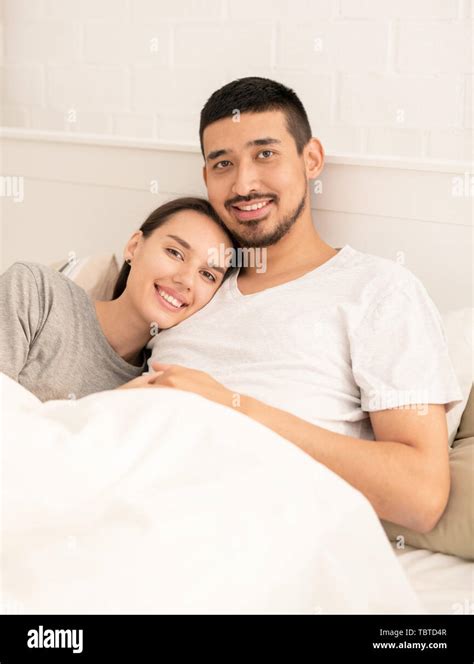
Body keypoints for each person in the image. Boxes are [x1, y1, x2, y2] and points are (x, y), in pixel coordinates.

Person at [127, 76, 463, 534]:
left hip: (231, 528)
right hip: (121, 489)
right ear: (206, 177)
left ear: (311, 159)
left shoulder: (380, 290)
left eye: (265, 154)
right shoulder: (193, 286)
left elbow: (419, 496)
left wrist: (233, 406)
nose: (244, 184)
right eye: (223, 163)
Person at [0, 197, 237, 401]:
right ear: (134, 247)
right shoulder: (36, 291)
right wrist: (109, 406)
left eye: (207, 275)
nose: (186, 280)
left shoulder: (157, 385)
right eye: (175, 253)